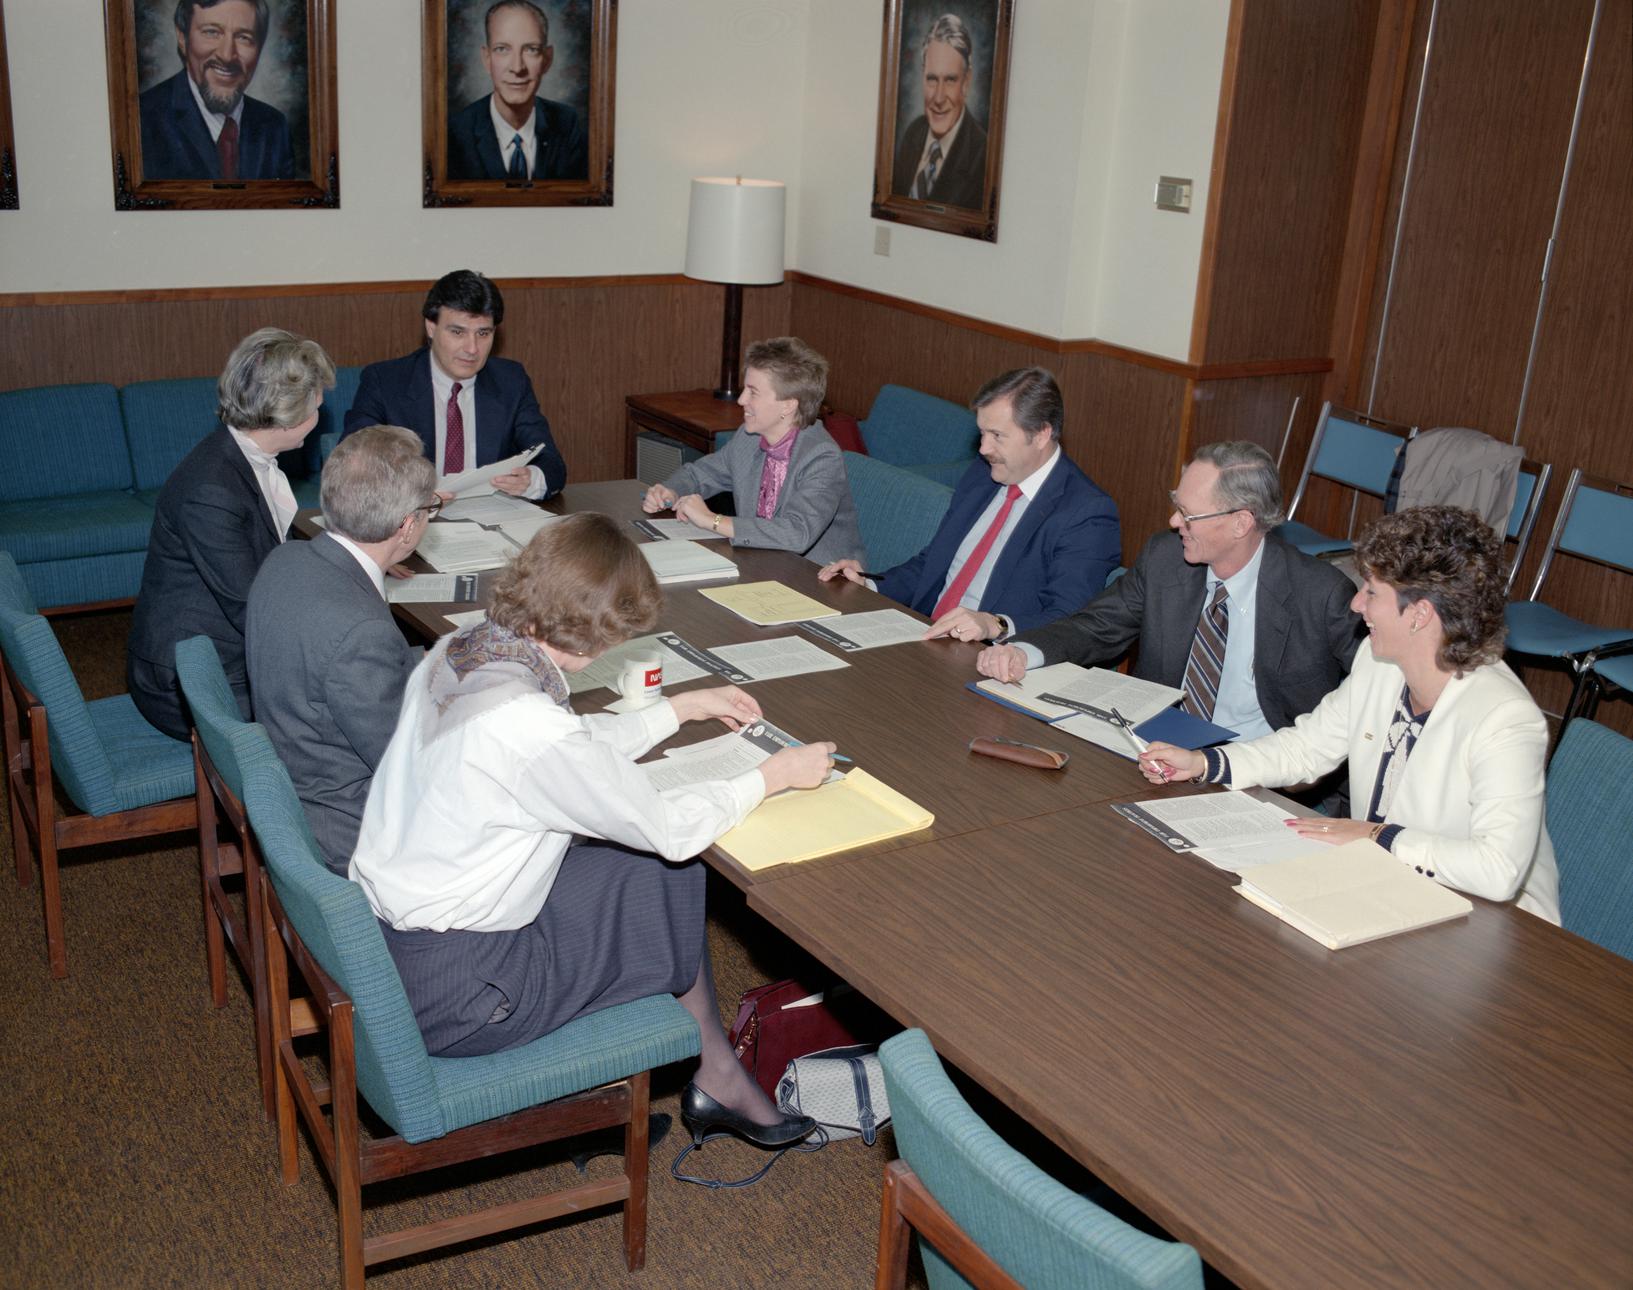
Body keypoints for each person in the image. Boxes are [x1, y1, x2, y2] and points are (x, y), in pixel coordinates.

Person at [350, 513, 832, 1148]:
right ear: (594, 637)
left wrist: (675, 710)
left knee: (644, 874)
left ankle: (715, 1070)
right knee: (668, 866)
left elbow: (567, 751)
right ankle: (705, 1074)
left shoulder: (465, 651)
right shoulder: (527, 726)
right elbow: (666, 826)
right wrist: (771, 776)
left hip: (397, 949)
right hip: (469, 997)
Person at [1139, 506, 1561, 922]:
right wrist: (1205, 762)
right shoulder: (1377, 665)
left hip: (1488, 924)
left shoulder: (1504, 717)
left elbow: (1497, 870)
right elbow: (1305, 748)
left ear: (1420, 615)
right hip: (1385, 891)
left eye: (1372, 591)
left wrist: (1377, 836)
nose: (1357, 604)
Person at [978, 441, 1362, 739]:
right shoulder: (1166, 557)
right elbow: (1095, 627)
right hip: (1157, 749)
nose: (1174, 520)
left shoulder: (1321, 595)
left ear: (1241, 523)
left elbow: (1372, 700)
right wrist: (1023, 652)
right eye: (1176, 504)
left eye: (1189, 514)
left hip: (1257, 769)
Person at [127, 327, 334, 741]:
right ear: (287, 414)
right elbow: (253, 607)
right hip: (191, 681)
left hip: (222, 651)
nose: (321, 409)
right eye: (316, 403)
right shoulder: (211, 490)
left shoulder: (235, 455)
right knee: (336, 723)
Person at [245, 426, 435, 874]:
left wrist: (427, 662)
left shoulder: (285, 559)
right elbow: (408, 765)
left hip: (297, 779)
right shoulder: (361, 632)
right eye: (431, 510)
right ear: (407, 527)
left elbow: (332, 676)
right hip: (348, 828)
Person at [818, 367, 1119, 643]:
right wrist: (870, 587)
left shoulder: (1086, 513)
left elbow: (1069, 620)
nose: (984, 448)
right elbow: (932, 564)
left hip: (992, 660)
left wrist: (996, 625)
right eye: (982, 433)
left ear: (1041, 435)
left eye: (997, 436)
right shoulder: (982, 474)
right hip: (924, 638)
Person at [343, 270, 567, 499]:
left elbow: (551, 463)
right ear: (431, 327)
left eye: (483, 333)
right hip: (410, 518)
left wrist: (531, 479)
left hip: (491, 517)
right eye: (458, 332)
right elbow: (353, 463)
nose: (472, 348)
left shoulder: (511, 380)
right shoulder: (385, 381)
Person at [641, 337, 864, 565]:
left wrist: (713, 520)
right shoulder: (748, 439)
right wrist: (671, 491)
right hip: (761, 564)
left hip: (820, 580)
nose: (741, 400)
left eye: (753, 392)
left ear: (788, 405)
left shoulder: (821, 456)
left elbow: (797, 533)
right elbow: (699, 475)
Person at [139, 0, 296, 182]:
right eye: (211, 32)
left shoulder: (274, 127)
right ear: (182, 38)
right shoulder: (142, 120)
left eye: (243, 37)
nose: (227, 55)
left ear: (259, 47)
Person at [446, 1, 589, 182]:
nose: (517, 67)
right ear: (486, 58)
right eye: (502, 49)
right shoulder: (456, 134)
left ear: (547, 59)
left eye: (531, 49)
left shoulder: (568, 125)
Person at [890, 13, 988, 209]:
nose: (939, 98)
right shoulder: (913, 134)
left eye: (950, 80)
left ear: (966, 82)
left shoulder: (983, 156)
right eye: (932, 79)